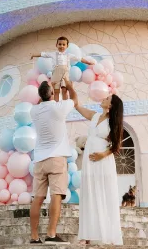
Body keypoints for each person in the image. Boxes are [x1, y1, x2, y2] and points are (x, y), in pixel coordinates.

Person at [76, 92, 126, 244]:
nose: (103, 98)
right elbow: (78, 107)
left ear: (110, 106)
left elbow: (116, 145)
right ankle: (87, 235)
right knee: (89, 192)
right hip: (89, 161)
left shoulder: (113, 122)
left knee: (103, 193)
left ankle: (107, 233)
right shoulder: (96, 116)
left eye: (107, 99)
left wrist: (103, 155)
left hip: (103, 162)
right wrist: (71, 93)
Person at [29, 80, 76, 244]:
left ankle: (34, 236)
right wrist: (67, 87)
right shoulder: (58, 108)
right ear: (51, 94)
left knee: (38, 198)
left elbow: (41, 101)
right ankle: (51, 234)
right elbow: (74, 101)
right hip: (56, 159)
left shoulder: (34, 111)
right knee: (56, 195)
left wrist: (49, 89)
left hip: (39, 160)